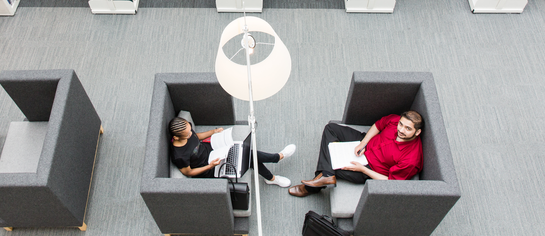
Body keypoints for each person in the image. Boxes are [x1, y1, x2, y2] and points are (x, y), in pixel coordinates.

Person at [288, 110, 423, 197]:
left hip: (368, 168)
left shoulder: (411, 159)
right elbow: (379, 125)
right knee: (331, 129)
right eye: (401, 124)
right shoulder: (396, 121)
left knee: (331, 162)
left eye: (407, 128)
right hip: (364, 144)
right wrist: (363, 142)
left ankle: (316, 185)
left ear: (417, 132)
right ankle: (327, 176)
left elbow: (392, 182)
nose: (401, 129)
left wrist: (362, 169)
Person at [169, 116, 296, 187]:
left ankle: (273, 174)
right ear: (176, 138)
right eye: (187, 134)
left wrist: (214, 132)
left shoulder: (188, 132)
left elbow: (197, 136)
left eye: (190, 130)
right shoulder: (179, 156)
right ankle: (277, 159)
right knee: (248, 157)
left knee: (245, 154)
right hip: (211, 168)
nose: (191, 134)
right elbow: (189, 172)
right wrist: (210, 165)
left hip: (214, 149)